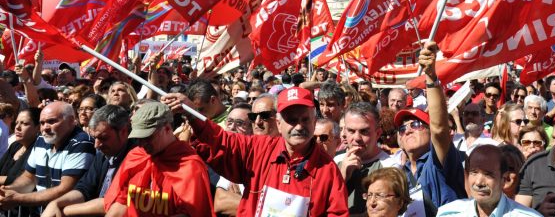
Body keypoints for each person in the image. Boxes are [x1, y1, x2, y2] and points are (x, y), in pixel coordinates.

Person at [163, 85, 348, 216]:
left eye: (305, 119)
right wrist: (192, 114)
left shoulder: (328, 171)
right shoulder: (258, 148)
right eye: (291, 119)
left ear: (314, 122)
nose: (299, 126)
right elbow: (220, 141)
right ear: (278, 123)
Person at [103, 101, 213, 217]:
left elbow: (189, 213)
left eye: (147, 137)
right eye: (138, 138)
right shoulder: (136, 156)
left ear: (167, 128)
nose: (141, 144)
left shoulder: (189, 166)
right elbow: (122, 201)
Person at [395, 41, 466, 216]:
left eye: (416, 124)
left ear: (429, 130)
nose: (409, 130)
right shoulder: (397, 175)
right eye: (403, 128)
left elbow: (440, 128)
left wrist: (431, 76)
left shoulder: (438, 161)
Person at [0, 102, 95, 215]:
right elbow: (29, 178)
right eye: (42, 123)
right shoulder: (41, 140)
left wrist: (18, 199)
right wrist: (7, 191)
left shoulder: (81, 143)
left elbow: (65, 189)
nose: (45, 128)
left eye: (51, 121)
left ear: (70, 120)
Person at [42, 105, 134, 217]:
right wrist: (55, 203)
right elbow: (85, 188)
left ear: (123, 132)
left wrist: (64, 210)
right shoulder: (103, 156)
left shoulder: (136, 159)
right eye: (95, 138)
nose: (96, 145)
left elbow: (115, 202)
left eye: (103, 138)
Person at [437, 144, 542, 217]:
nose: (479, 182)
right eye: (474, 172)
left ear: (503, 179)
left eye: (488, 174)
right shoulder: (448, 214)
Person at [336, 102, 391, 216]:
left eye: (364, 131)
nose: (357, 138)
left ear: (378, 133)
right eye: (351, 131)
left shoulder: (390, 166)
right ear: (344, 132)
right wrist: (341, 178)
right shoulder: (335, 162)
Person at [0, 109, 39, 188]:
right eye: (16, 123)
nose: (17, 127)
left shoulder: (38, 150)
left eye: (24, 124)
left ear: (38, 128)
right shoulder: (15, 145)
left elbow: (26, 181)